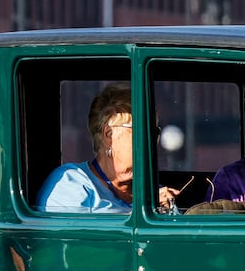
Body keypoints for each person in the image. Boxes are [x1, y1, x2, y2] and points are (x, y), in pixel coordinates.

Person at [36, 83, 178, 213]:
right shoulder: (70, 183)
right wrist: (143, 211)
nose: (151, 140)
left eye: (154, 132)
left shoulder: (154, 192)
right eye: (141, 131)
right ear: (109, 135)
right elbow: (75, 239)